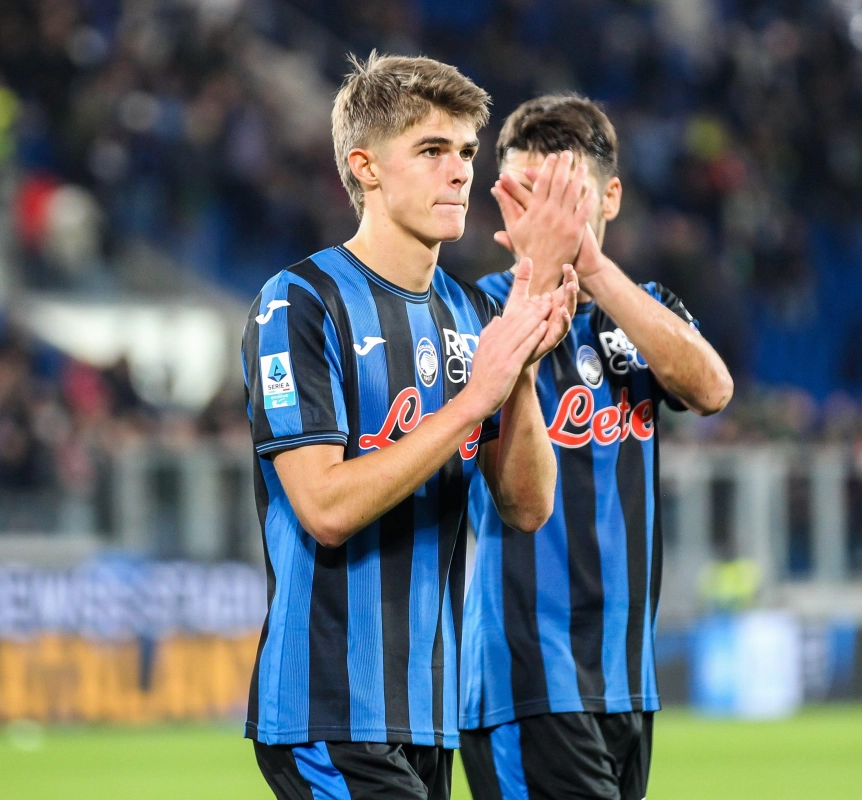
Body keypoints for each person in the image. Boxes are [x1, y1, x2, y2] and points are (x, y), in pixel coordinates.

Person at [241, 54, 578, 800]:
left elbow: (527, 506)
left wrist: (518, 362)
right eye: (431, 151)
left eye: (465, 152)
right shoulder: (299, 302)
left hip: (429, 711)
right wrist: (469, 401)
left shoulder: (470, 315)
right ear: (365, 167)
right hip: (325, 708)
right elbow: (324, 509)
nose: (458, 172)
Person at [459, 95, 734, 800]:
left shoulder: (641, 312)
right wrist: (538, 283)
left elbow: (711, 389)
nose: (543, 219)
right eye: (526, 196)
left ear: (610, 198)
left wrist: (594, 272)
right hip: (526, 678)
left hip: (625, 680)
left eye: (563, 198)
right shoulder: (470, 314)